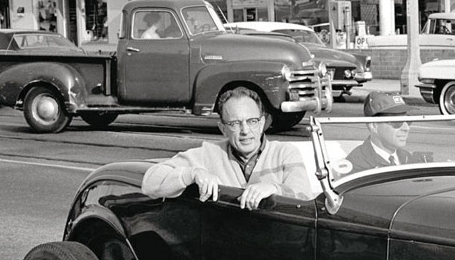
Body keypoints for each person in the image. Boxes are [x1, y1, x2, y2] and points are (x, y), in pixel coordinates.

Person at [141, 86, 313, 208]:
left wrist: (274, 189)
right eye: (235, 123)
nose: (245, 131)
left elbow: (304, 197)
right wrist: (193, 174)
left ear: (262, 124)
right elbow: (150, 182)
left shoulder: (284, 153)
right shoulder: (208, 154)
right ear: (223, 129)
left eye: (252, 121)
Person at [344, 91, 416, 171]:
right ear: (373, 126)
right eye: (397, 122)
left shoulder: (407, 158)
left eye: (408, 120)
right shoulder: (357, 164)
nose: (406, 128)